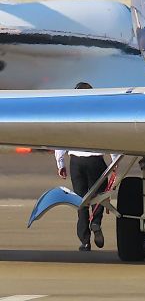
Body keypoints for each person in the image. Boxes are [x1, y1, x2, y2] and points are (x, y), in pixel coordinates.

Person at [54, 82, 116, 251]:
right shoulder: (100, 114)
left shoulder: (69, 114)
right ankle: (95, 222)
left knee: (81, 201)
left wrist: (61, 163)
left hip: (76, 162)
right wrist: (114, 163)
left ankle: (85, 240)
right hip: (96, 161)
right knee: (99, 195)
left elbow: (60, 141)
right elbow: (111, 139)